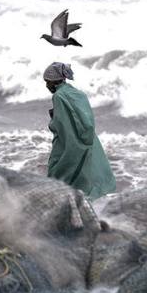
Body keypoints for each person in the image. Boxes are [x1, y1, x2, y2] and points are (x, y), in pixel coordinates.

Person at [43, 62, 116, 199]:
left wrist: (53, 124)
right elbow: (85, 117)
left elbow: (61, 124)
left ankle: (61, 195)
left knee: (60, 166)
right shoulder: (78, 93)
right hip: (88, 136)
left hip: (70, 138)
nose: (47, 85)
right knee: (88, 168)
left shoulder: (58, 96)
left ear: (55, 81)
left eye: (48, 82)